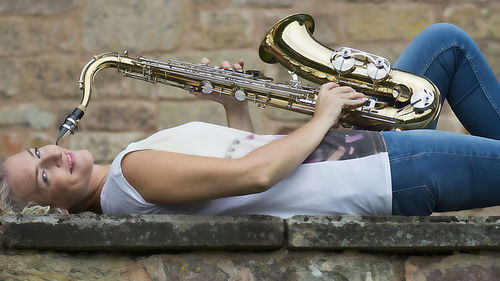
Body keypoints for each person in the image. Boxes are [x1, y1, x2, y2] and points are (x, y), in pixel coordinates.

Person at [1, 23, 499, 217]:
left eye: (36, 151)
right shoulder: (132, 176)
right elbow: (257, 174)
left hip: (363, 152)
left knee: (444, 44)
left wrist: (233, 109)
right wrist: (323, 116)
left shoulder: (129, 175)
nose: (52, 155)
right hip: (382, 170)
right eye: (43, 176)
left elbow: (241, 175)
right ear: (54, 210)